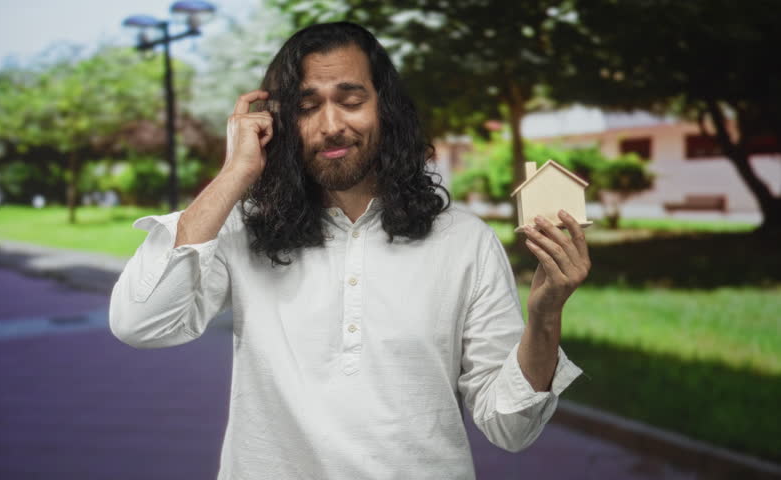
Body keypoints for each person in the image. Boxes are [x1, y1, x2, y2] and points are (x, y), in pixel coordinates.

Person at [109, 21, 590, 479]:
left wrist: (545, 315)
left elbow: (511, 427)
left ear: (386, 107)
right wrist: (234, 174)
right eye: (306, 106)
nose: (331, 124)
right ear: (278, 122)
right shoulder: (245, 228)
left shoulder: (465, 241)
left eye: (350, 99)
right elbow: (141, 322)